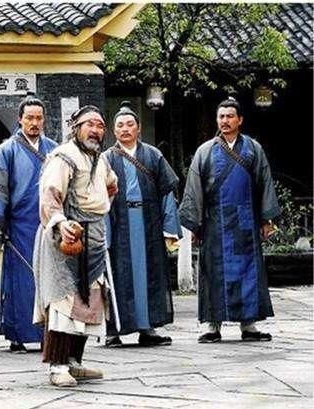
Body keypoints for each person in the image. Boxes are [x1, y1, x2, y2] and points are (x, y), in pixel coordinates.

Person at [179, 97, 279, 343]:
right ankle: (213, 326)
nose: (225, 120)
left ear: (240, 120)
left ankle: (249, 325)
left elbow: (264, 182)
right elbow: (194, 187)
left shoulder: (253, 149)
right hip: (215, 222)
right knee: (213, 273)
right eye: (221, 116)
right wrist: (194, 223)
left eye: (230, 116)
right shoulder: (205, 151)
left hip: (246, 221)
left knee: (249, 272)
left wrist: (266, 219)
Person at [33, 105, 118, 387]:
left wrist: (98, 209)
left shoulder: (101, 160)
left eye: (100, 126)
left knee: (88, 300)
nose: (95, 130)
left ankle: (74, 362)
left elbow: (111, 187)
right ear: (76, 128)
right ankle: (57, 366)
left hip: (94, 237)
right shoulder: (63, 157)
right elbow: (50, 196)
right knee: (63, 303)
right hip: (66, 238)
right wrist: (61, 223)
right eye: (89, 124)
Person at [0, 93, 58, 353]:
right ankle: (18, 334)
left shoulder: (53, 149)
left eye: (39, 118)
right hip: (19, 225)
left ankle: (49, 333)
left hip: (49, 223)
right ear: (20, 119)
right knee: (22, 281)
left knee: (49, 279)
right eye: (30, 118)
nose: (34, 123)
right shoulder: (7, 150)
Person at [103, 101, 181, 347]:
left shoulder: (153, 155)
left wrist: (169, 227)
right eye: (120, 125)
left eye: (130, 124)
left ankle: (148, 328)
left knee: (150, 275)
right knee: (118, 276)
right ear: (114, 130)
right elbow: (99, 199)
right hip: (118, 225)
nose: (125, 129)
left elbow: (167, 191)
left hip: (148, 224)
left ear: (138, 128)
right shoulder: (106, 158)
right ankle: (114, 330)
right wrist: (103, 233)